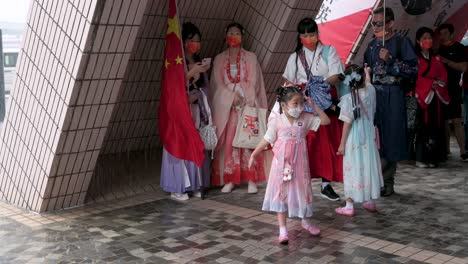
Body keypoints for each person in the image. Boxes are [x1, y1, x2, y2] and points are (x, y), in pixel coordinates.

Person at [249, 85, 331, 244]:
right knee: (282, 193)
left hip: (300, 164)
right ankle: (283, 230)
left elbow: (326, 121)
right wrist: (254, 154)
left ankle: (306, 221)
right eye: (295, 103)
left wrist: (313, 106)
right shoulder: (276, 121)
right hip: (281, 166)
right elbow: (267, 139)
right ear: (284, 105)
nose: (299, 107)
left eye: (301, 103)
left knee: (303, 191)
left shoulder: (306, 118)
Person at [281, 17, 344, 201]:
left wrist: (320, 86)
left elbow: (336, 74)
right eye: (305, 35)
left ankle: (326, 184)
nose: (309, 38)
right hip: (302, 103)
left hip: (324, 102)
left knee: (326, 144)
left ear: (317, 34)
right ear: (300, 36)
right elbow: (288, 81)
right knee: (303, 143)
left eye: (312, 34)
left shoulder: (328, 51)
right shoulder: (294, 57)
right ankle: (300, 183)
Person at [363, 7, 418, 196]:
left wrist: (392, 60)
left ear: (390, 23)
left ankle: (387, 181)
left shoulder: (402, 42)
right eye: (373, 23)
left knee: (391, 137)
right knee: (374, 136)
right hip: (374, 95)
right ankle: (374, 179)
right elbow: (366, 69)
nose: (375, 27)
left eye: (379, 23)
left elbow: (413, 70)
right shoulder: (371, 45)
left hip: (393, 93)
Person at [209, 22, 268, 193]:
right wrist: (230, 96)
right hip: (228, 109)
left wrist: (240, 94)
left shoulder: (251, 57)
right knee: (231, 143)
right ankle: (231, 178)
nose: (233, 36)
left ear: (243, 36)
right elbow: (217, 85)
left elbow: (254, 82)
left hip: (246, 105)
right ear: (226, 36)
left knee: (248, 141)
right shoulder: (219, 59)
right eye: (230, 33)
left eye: (236, 33)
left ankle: (251, 179)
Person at [160, 23, 212, 201]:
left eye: (198, 41)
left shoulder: (199, 63)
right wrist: (192, 73)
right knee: (179, 145)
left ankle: (196, 184)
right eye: (191, 40)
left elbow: (206, 88)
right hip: (179, 113)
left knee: (195, 145)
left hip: (196, 111)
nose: (195, 44)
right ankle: (178, 187)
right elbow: (173, 88)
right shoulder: (175, 63)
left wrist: (198, 94)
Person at [335, 65, 383, 216]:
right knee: (367, 165)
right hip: (368, 135)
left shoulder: (348, 99)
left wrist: (342, 144)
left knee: (352, 167)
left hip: (354, 137)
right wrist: (368, 72)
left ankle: (349, 205)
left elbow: (347, 123)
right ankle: (369, 201)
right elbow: (368, 82)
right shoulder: (371, 91)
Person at [413, 27, 450, 168]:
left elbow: (443, 74)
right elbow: (416, 77)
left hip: (435, 97)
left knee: (435, 126)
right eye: (424, 38)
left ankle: (434, 157)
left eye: (429, 38)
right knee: (423, 126)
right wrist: (430, 83)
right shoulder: (415, 58)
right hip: (422, 97)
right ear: (418, 41)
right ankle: (421, 158)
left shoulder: (436, 58)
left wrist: (437, 83)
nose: (428, 40)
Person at [437, 24, 468, 161]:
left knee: (457, 120)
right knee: (443, 120)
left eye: (445, 33)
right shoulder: (438, 49)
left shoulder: (460, 48)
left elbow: (463, 67)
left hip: (454, 88)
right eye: (441, 34)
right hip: (440, 88)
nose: (442, 36)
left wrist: (447, 61)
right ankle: (446, 150)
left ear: (451, 33)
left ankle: (463, 151)